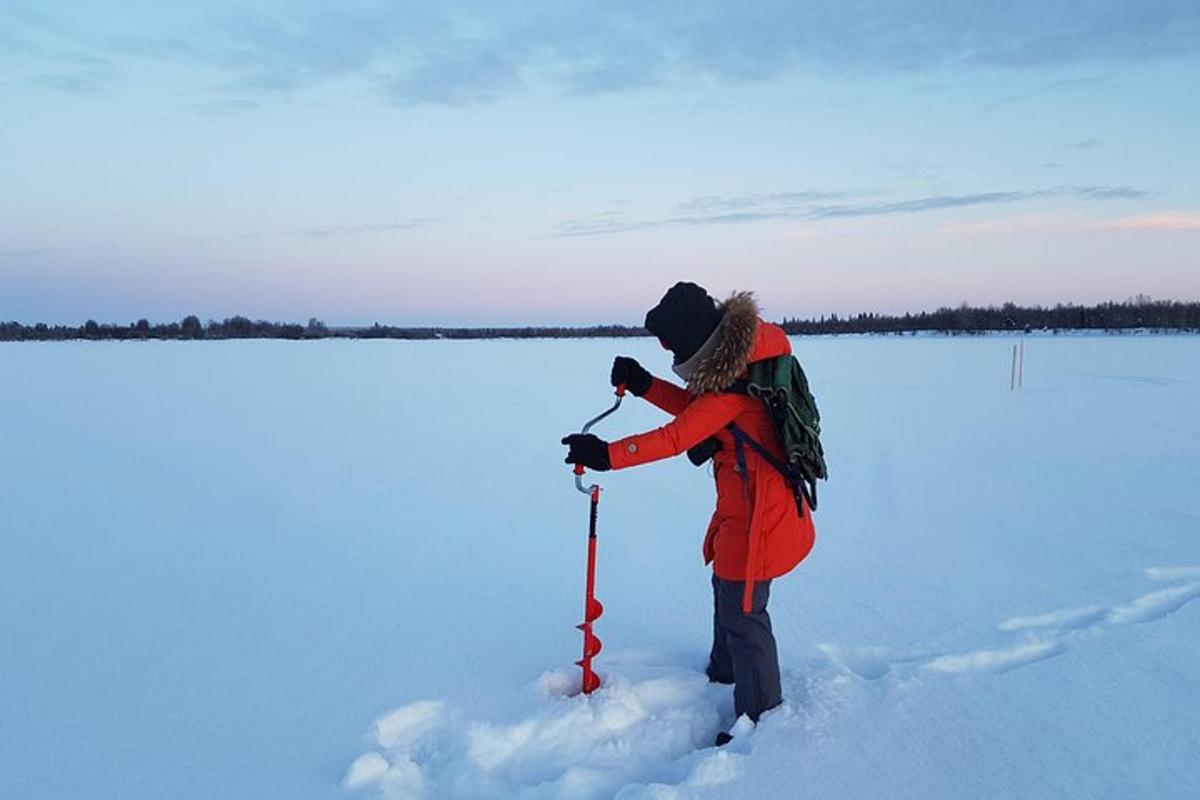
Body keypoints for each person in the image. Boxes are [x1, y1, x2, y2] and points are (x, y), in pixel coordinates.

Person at [562, 282, 816, 745]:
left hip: (762, 518)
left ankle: (762, 722)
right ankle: (723, 670)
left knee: (745, 613)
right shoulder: (737, 368)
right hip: (745, 510)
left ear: (698, 342)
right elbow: (699, 411)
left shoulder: (732, 386)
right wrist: (644, 386)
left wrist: (607, 455)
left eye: (673, 347)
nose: (671, 356)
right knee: (728, 587)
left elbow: (679, 435)